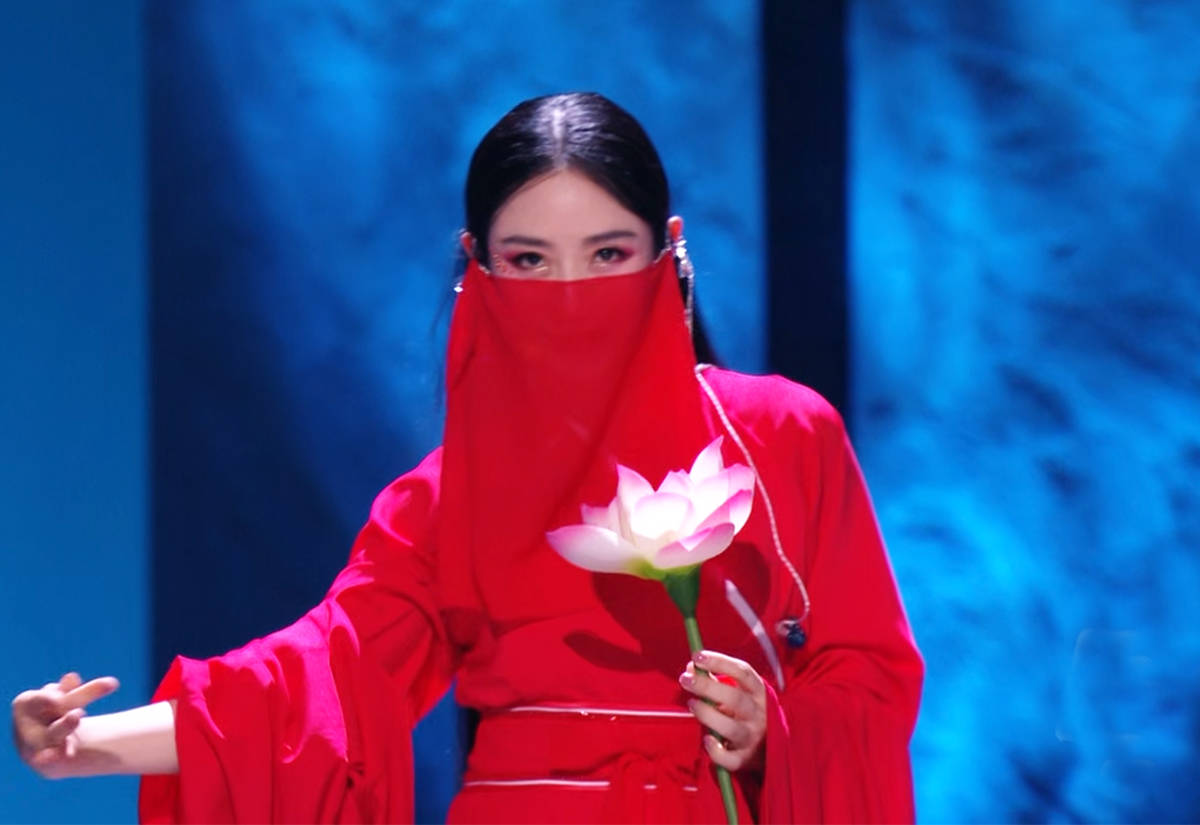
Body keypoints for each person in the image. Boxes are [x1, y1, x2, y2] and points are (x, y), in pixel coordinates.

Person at [12, 92, 923, 823]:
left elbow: (872, 675)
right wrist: (80, 743)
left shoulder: (781, 434)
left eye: (608, 253)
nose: (571, 293)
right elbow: (315, 685)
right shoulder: (446, 497)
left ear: (669, 251)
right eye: (529, 261)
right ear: (476, 266)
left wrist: (773, 726)